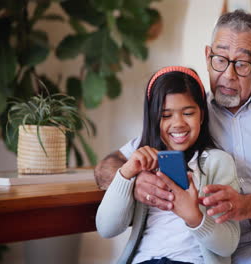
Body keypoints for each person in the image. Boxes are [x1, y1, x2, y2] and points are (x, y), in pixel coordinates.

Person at [95, 10, 251, 264]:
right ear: (208, 57)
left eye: (242, 64)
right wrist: (136, 180)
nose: (229, 75)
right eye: (220, 60)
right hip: (234, 248)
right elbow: (108, 166)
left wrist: (244, 204)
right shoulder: (189, 116)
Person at [95, 66, 240, 264]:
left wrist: (195, 218)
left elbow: (228, 244)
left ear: (202, 115)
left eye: (188, 113)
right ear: (153, 118)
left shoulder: (218, 162)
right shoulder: (141, 155)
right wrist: (127, 173)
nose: (178, 123)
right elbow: (106, 228)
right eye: (165, 115)